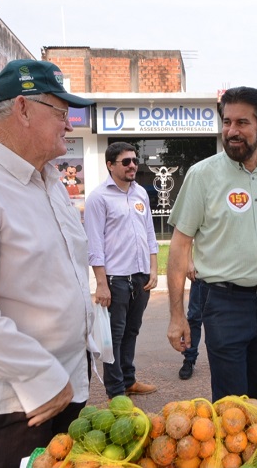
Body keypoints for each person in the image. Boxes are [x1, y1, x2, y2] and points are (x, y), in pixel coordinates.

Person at [0, 59, 94, 467]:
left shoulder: (51, 182)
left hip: (67, 389)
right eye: (61, 113)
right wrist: (41, 376)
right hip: (16, 405)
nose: (69, 125)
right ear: (22, 109)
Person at [166, 86, 257, 407]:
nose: (232, 131)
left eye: (243, 123)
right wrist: (177, 316)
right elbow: (179, 247)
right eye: (227, 122)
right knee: (232, 409)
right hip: (223, 304)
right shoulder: (201, 175)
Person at [84, 141, 159, 399]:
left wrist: (154, 268)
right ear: (110, 165)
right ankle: (115, 392)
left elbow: (149, 232)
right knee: (113, 338)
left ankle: (128, 380)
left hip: (140, 277)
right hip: (116, 280)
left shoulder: (139, 194)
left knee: (132, 331)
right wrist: (101, 283)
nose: (132, 166)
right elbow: (94, 244)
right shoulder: (98, 198)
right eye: (125, 161)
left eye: (134, 161)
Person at [179, 255, 202, 380]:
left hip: (227, 275)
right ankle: (189, 359)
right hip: (201, 274)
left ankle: (228, 360)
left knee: (226, 319)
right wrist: (188, 261)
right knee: (194, 318)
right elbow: (186, 239)